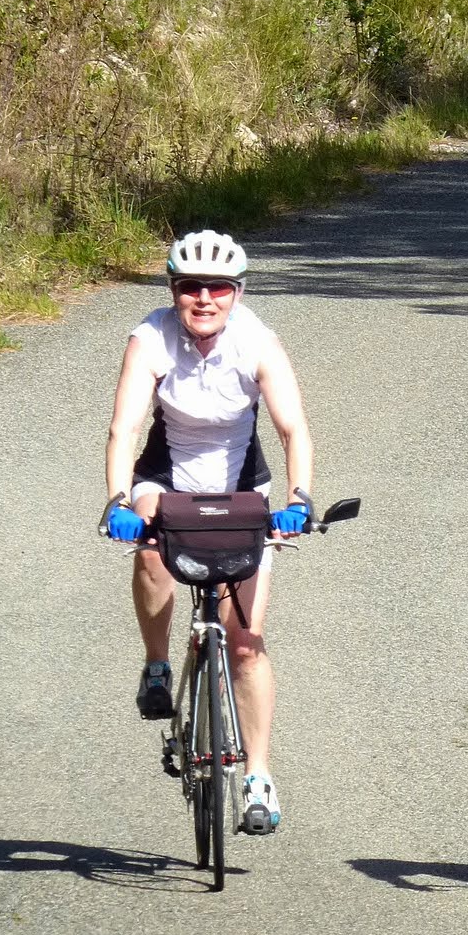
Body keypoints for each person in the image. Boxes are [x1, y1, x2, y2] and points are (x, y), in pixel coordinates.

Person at [102, 230, 313, 836]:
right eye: (190, 287)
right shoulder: (150, 338)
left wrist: (299, 498)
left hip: (242, 490)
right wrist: (118, 500)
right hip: (167, 478)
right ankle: (157, 665)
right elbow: (124, 429)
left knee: (245, 642)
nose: (204, 299)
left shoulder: (258, 341)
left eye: (218, 288)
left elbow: (293, 428)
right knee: (149, 549)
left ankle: (259, 776)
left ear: (237, 293)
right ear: (173, 290)